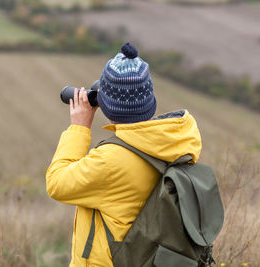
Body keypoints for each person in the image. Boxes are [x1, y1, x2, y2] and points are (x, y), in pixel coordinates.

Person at [46, 43, 202, 267]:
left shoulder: (110, 160)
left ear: (107, 106)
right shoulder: (176, 142)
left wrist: (79, 128)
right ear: (149, 101)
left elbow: (56, 183)